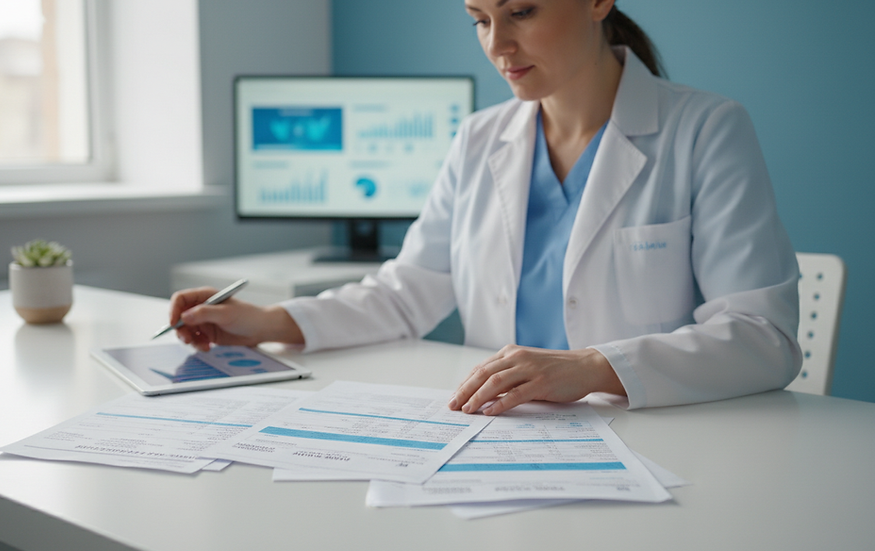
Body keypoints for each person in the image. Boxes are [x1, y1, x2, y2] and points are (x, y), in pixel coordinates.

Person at [169, 0, 801, 413]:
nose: (499, 44)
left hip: (652, 436)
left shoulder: (706, 129)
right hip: (498, 433)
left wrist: (594, 367)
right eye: (479, 18)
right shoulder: (480, 137)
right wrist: (269, 320)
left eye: (521, 11)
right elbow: (407, 292)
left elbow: (763, 337)